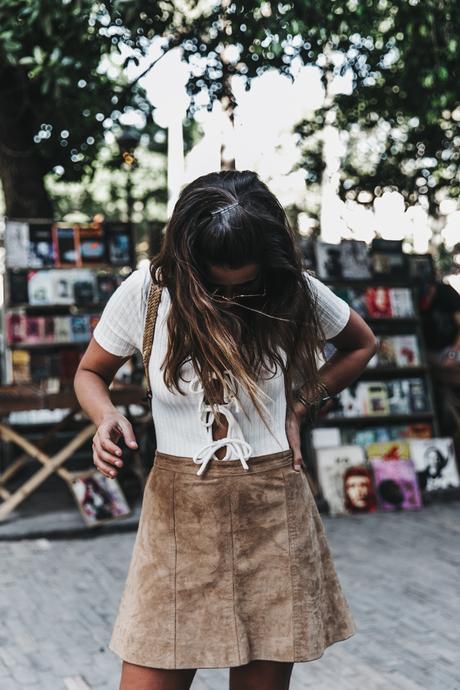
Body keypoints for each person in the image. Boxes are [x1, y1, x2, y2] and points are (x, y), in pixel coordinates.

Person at [74, 170, 377, 690]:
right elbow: (89, 372)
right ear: (189, 261)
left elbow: (361, 343)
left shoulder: (291, 289)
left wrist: (299, 406)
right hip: (178, 512)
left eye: (246, 284)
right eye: (215, 284)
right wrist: (106, 417)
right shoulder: (148, 291)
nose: (229, 298)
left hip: (273, 508)